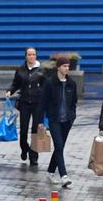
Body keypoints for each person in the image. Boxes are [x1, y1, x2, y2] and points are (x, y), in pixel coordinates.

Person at [39, 55, 78, 188]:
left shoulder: (71, 83)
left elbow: (74, 102)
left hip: (67, 120)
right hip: (54, 119)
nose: (66, 68)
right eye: (64, 66)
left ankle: (50, 172)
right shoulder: (50, 83)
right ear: (58, 67)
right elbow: (43, 103)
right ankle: (64, 176)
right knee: (59, 146)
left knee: (59, 148)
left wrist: (73, 116)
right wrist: (40, 122)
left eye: (68, 66)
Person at [6, 47, 45, 168]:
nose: (31, 57)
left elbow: (46, 86)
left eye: (33, 54)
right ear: (26, 56)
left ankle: (34, 156)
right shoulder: (20, 69)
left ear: (36, 56)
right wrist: (10, 91)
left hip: (37, 103)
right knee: (23, 130)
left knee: (35, 131)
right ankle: (24, 148)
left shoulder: (41, 70)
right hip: (24, 103)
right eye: (29, 54)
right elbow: (15, 83)